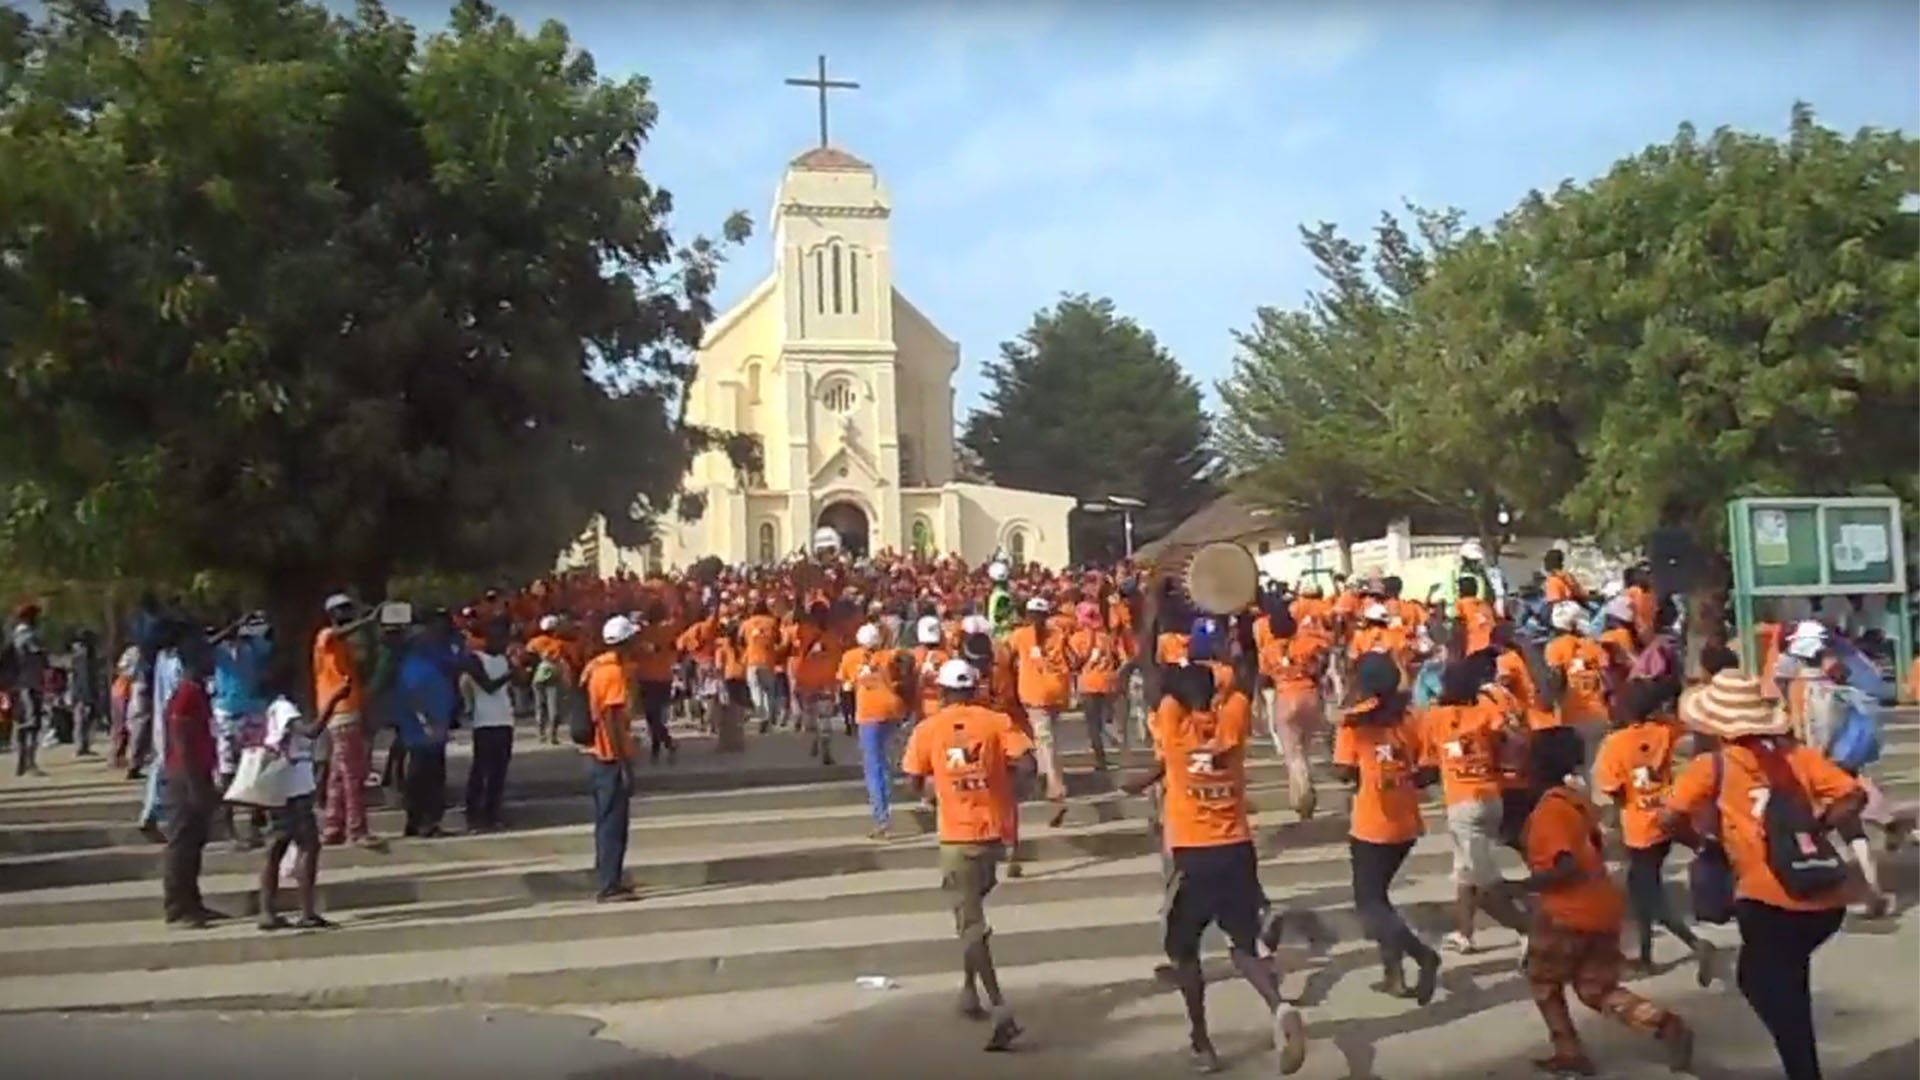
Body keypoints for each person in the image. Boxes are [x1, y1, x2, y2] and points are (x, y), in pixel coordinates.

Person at [1663, 670, 1865, 1080]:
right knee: (1788, 979)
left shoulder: (1711, 767)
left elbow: (1669, 818)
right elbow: (1853, 795)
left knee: (1761, 982)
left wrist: (1705, 844)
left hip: (1768, 899)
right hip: (1824, 891)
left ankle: (1802, 1068)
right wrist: (1816, 827)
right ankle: (1801, 1062)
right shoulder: (1798, 757)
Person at [1123, 657, 1306, 1075]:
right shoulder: (1232, 724)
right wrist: (1240, 622)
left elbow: (1155, 679)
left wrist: (1153, 603)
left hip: (1193, 856)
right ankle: (1279, 1007)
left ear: (1177, 699)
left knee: (1184, 953)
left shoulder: (1173, 727)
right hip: (1237, 849)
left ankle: (1202, 1042)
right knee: (1243, 947)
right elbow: (1247, 673)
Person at [1520, 726, 1693, 1075]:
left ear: (1538, 765)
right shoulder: (1574, 800)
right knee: (1595, 989)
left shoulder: (1548, 811)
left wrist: (1518, 887)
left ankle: (1568, 1049)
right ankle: (1662, 1023)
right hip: (1602, 907)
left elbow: (1564, 869)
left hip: (1566, 913)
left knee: (1541, 980)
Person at [900, 658, 1032, 1053]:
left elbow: (912, 780)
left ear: (941, 691)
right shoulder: (996, 722)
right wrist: (1012, 792)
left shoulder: (928, 729)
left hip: (956, 838)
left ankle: (1000, 1008)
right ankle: (969, 989)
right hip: (993, 834)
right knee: (970, 915)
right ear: (975, 688)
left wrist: (932, 791)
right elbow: (1026, 762)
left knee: (970, 924)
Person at [1334, 652, 1441, 1003]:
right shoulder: (1413, 717)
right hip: (1406, 822)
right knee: (1378, 900)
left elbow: (1343, 771)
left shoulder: (1354, 723)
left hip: (1370, 824)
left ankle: (1422, 955)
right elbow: (1429, 773)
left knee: (1369, 906)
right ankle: (1392, 976)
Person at [1592, 679, 1713, 976]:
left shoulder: (1614, 743)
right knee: (1641, 891)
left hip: (1638, 826)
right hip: (1665, 817)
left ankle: (1695, 944)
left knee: (1647, 895)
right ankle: (1646, 955)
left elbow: (1612, 788)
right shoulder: (1665, 732)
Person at [1420, 657, 1529, 955]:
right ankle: (1464, 934)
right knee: (1465, 871)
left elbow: (1426, 762)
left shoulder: (1435, 718)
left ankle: (1528, 926)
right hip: (1492, 797)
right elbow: (1515, 742)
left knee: (1482, 880)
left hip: (1462, 804)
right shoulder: (1485, 711)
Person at [257, 670, 331, 931]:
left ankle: (268, 911)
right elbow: (312, 731)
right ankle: (307, 911)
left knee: (277, 847)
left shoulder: (275, 709)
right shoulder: (285, 708)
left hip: (284, 785)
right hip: (292, 788)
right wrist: (333, 701)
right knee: (308, 845)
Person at [161, 637, 223, 929]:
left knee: (195, 843)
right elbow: (180, 737)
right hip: (185, 778)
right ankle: (177, 907)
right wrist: (193, 782)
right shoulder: (185, 694)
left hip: (199, 774)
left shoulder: (198, 692)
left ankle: (193, 901)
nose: (213, 662)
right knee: (182, 844)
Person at [583, 615, 640, 902]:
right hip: (609, 757)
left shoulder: (596, 667)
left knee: (606, 821)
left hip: (596, 755)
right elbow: (612, 719)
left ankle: (609, 876)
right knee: (613, 824)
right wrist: (623, 763)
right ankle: (609, 885)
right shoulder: (613, 674)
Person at [313, 593, 376, 847]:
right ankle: (356, 829)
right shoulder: (326, 636)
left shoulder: (343, 645)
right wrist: (367, 620)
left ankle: (332, 826)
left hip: (344, 710)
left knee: (339, 774)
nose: (348, 613)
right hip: (342, 710)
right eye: (343, 609)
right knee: (353, 773)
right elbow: (337, 634)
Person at [840, 622, 911, 839]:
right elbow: (906, 663)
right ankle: (887, 799)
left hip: (869, 714)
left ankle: (882, 819)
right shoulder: (890, 655)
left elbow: (846, 687)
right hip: (893, 710)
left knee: (873, 766)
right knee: (884, 761)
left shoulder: (850, 657)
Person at [1006, 598, 1070, 822]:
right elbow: (1073, 659)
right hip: (1057, 692)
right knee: (1047, 739)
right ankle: (1046, 780)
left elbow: (1006, 654)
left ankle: (1056, 790)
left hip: (1035, 694)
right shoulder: (1058, 634)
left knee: (1045, 741)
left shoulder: (1021, 635)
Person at [397, 621, 457, 838]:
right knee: (425, 778)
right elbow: (413, 698)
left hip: (435, 730)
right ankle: (425, 822)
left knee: (428, 776)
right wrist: (426, 724)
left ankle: (420, 821)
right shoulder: (414, 665)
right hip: (423, 733)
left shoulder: (433, 661)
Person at [463, 619, 517, 832]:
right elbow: (489, 686)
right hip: (484, 723)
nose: (503, 643)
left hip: (504, 720)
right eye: (499, 638)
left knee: (499, 772)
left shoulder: (504, 659)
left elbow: (515, 684)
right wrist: (510, 673)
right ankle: (473, 814)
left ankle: (492, 814)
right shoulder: (475, 659)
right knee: (481, 771)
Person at [10, 602, 48, 776]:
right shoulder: (29, 636)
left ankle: (21, 761)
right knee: (33, 724)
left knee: (20, 721)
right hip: (30, 685)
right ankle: (30, 763)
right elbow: (39, 658)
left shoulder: (12, 637)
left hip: (15, 686)